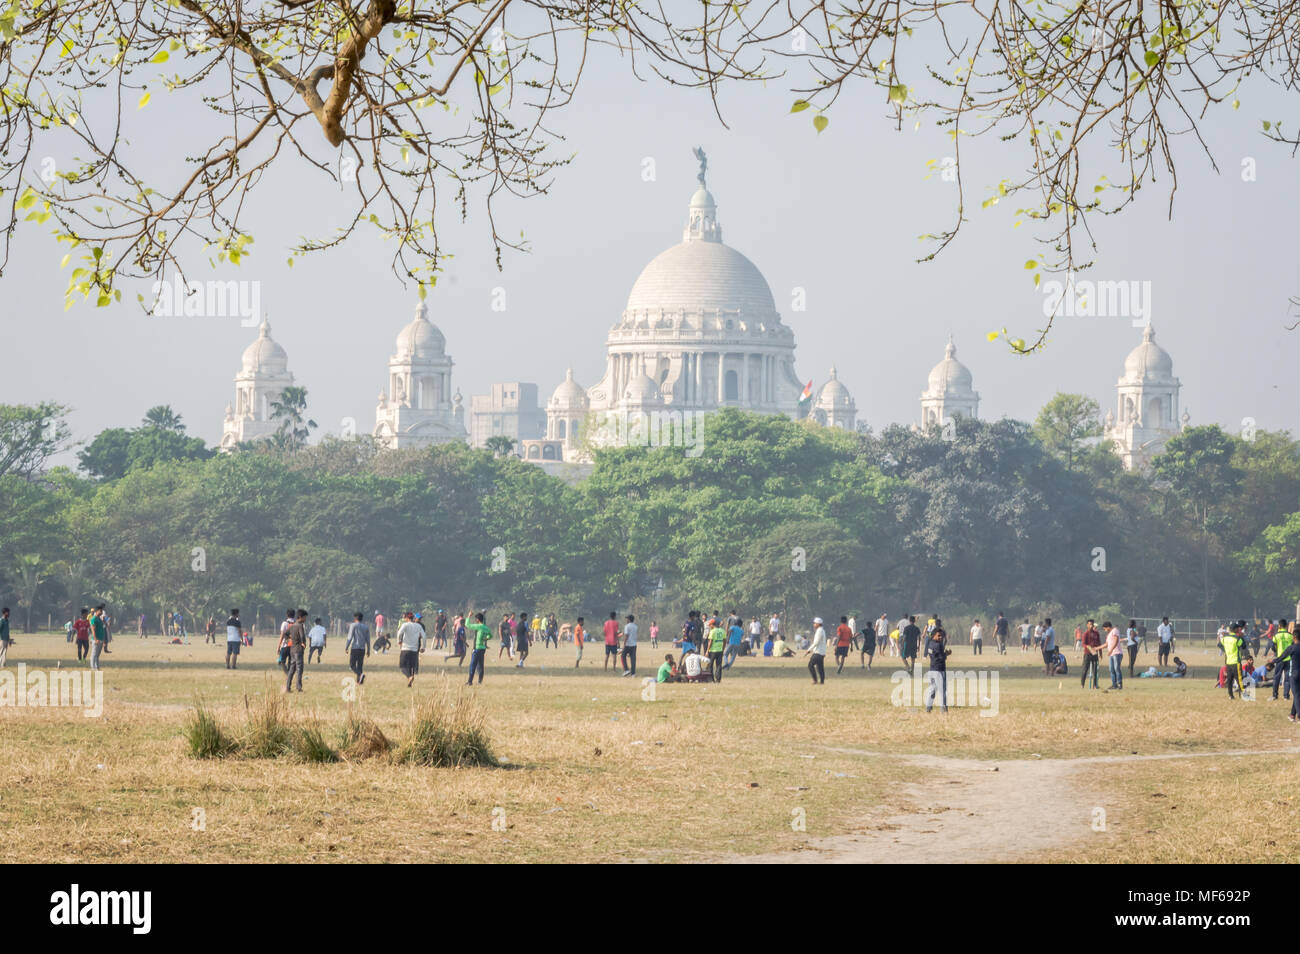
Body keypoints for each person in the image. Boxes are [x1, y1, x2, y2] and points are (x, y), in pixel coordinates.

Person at [924, 626, 951, 712]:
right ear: (933, 635)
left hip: (932, 670)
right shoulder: (938, 645)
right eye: (939, 635)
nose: (940, 637)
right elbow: (941, 658)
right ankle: (943, 708)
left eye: (941, 636)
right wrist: (947, 654)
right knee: (943, 690)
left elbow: (934, 656)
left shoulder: (930, 644)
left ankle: (928, 707)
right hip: (939, 670)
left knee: (932, 689)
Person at [396, 611, 423, 687]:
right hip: (414, 650)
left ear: (407, 618)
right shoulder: (418, 626)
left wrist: (399, 641)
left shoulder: (405, 625)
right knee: (410, 666)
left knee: (402, 666)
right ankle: (410, 681)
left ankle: (409, 677)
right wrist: (423, 647)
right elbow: (424, 636)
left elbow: (399, 633)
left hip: (405, 649)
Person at [284, 610, 308, 693]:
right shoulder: (300, 626)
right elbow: (302, 636)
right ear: (300, 617)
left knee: (291, 669)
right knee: (299, 669)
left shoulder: (292, 626)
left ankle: (288, 687)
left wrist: (289, 639)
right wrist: (303, 643)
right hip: (298, 650)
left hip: (292, 650)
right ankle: (299, 687)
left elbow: (285, 634)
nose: (305, 619)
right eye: (305, 617)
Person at [466, 612, 492, 685]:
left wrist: (468, 616)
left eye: (476, 619)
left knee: (473, 665)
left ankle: (469, 681)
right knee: (480, 665)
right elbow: (490, 635)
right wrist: (485, 639)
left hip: (477, 648)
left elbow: (467, 625)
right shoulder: (486, 628)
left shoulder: (479, 626)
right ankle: (480, 682)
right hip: (483, 648)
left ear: (478, 619)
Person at [1221, 622, 1246, 700]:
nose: (1239, 630)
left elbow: (1219, 644)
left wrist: (1225, 650)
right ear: (1235, 629)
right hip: (1236, 662)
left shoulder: (1224, 638)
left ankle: (1230, 695)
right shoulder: (1237, 638)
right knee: (1239, 679)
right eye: (1238, 629)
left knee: (1230, 680)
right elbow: (1244, 646)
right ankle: (1243, 695)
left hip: (1228, 662)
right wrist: (1241, 637)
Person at [345, 612, 370, 684]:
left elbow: (350, 637)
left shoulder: (353, 625)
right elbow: (368, 640)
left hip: (355, 648)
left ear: (355, 618)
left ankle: (360, 675)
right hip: (362, 649)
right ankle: (359, 681)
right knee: (360, 666)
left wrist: (346, 646)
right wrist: (368, 650)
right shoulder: (366, 627)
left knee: (352, 665)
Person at [1272, 621, 1293, 702]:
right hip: (1288, 659)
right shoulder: (1290, 635)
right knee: (1287, 678)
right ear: (1287, 625)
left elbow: (1272, 645)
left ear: (1279, 626)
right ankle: (1286, 696)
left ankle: (1275, 695)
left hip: (1279, 659)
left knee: (1277, 677)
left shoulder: (1276, 635)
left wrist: (1276, 651)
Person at [1080, 619, 1102, 689]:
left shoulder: (1096, 633)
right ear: (1087, 625)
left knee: (1095, 670)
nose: (1091, 626)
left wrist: (1100, 653)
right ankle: (1082, 685)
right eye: (1090, 624)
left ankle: (1095, 685)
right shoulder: (1085, 633)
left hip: (1095, 654)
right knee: (1085, 669)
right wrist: (1089, 647)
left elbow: (1099, 643)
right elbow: (1083, 644)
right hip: (1087, 653)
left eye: (1092, 624)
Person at [805, 616, 827, 685]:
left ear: (818, 624)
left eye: (814, 623)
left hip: (818, 652)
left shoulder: (819, 631)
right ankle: (822, 681)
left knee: (810, 665)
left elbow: (816, 642)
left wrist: (809, 649)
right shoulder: (821, 630)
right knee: (820, 667)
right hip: (821, 652)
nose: (814, 624)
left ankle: (815, 680)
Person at [1103, 621, 1124, 690]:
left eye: (1105, 629)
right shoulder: (1109, 635)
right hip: (1111, 654)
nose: (1104, 630)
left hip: (1117, 653)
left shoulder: (1115, 630)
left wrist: (1111, 650)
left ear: (1108, 627)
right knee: (1111, 669)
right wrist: (1097, 648)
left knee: (1116, 668)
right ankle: (1114, 684)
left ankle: (1119, 684)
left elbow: (1116, 641)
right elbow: (1106, 645)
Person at [706, 616, 727, 682]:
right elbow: (724, 641)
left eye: (710, 625)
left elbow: (710, 642)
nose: (709, 626)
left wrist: (707, 651)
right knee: (718, 665)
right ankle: (718, 679)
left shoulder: (712, 631)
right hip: (720, 651)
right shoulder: (722, 631)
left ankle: (711, 679)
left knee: (710, 665)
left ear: (713, 624)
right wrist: (723, 649)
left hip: (712, 651)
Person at [89, 605, 108, 671]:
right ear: (97, 611)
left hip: (101, 639)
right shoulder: (93, 619)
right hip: (96, 639)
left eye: (102, 611)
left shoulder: (99, 619)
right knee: (94, 654)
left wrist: (104, 621)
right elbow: (93, 630)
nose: (102, 612)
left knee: (97, 655)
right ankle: (93, 667)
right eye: (100, 611)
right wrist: (95, 639)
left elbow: (105, 626)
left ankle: (97, 667)